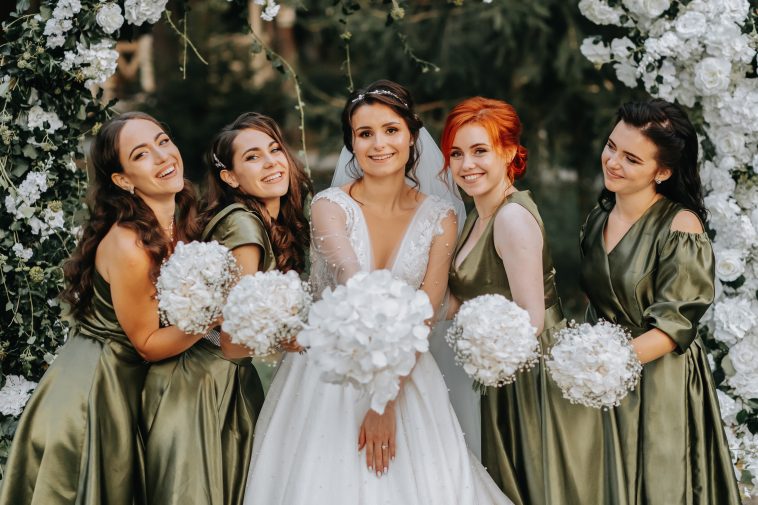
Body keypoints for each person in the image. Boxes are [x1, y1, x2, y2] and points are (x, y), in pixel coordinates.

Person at [243, 80, 511, 505]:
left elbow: (427, 308)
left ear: (411, 136)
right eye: (364, 134)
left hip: (407, 374)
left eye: (390, 130)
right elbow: (354, 286)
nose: (378, 143)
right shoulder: (329, 207)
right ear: (351, 142)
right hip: (328, 376)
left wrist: (385, 401)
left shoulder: (441, 216)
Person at [0, 112, 205, 505]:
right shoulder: (130, 245)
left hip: (128, 383)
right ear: (123, 180)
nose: (164, 157)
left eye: (163, 141)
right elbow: (146, 342)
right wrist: (213, 315)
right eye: (142, 154)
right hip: (94, 388)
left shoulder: (179, 222)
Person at [140, 112, 311, 505]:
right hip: (205, 382)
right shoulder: (244, 228)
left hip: (224, 377)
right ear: (230, 178)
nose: (271, 162)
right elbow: (233, 340)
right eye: (252, 157)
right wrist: (306, 341)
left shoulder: (261, 221)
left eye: (274, 149)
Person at [579, 99, 741, 504]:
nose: (613, 161)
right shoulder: (598, 218)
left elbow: (673, 328)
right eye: (612, 146)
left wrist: (603, 364)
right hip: (605, 377)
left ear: (662, 171)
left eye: (631, 158)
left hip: (660, 379)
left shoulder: (680, 226)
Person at [444, 97, 595, 505]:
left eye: (480, 151)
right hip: (498, 365)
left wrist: (483, 349)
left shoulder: (511, 218)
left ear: (509, 152)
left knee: (532, 482)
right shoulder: (478, 213)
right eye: (456, 153)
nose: (466, 164)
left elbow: (532, 321)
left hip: (529, 371)